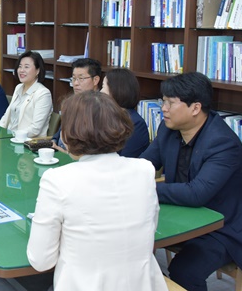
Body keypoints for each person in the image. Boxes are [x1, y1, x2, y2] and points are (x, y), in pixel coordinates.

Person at [27, 91, 167, 291]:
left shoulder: (57, 179)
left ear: (69, 133)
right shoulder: (144, 170)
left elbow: (41, 261)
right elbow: (149, 229)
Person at [140, 72, 242, 291]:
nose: (163, 108)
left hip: (223, 227)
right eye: (163, 101)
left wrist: (148, 187)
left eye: (170, 103)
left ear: (195, 108)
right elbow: (142, 166)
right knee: (133, 250)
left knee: (184, 271)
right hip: (183, 214)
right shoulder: (168, 130)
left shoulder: (223, 143)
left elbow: (197, 194)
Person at [0, 51, 52, 138]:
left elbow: (35, 129)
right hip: (9, 138)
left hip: (27, 142)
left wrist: (14, 135)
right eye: (20, 66)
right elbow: (7, 115)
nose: (21, 70)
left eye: (26, 67)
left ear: (37, 71)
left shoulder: (43, 93)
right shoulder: (18, 87)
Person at [51, 58, 101, 152]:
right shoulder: (72, 101)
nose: (76, 83)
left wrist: (64, 152)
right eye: (74, 78)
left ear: (95, 80)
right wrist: (53, 141)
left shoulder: (100, 107)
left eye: (81, 78)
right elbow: (60, 132)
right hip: (58, 151)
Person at [101, 68, 149, 157]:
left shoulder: (136, 124)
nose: (100, 92)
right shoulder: (105, 116)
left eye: (103, 87)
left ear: (116, 90)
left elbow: (127, 161)